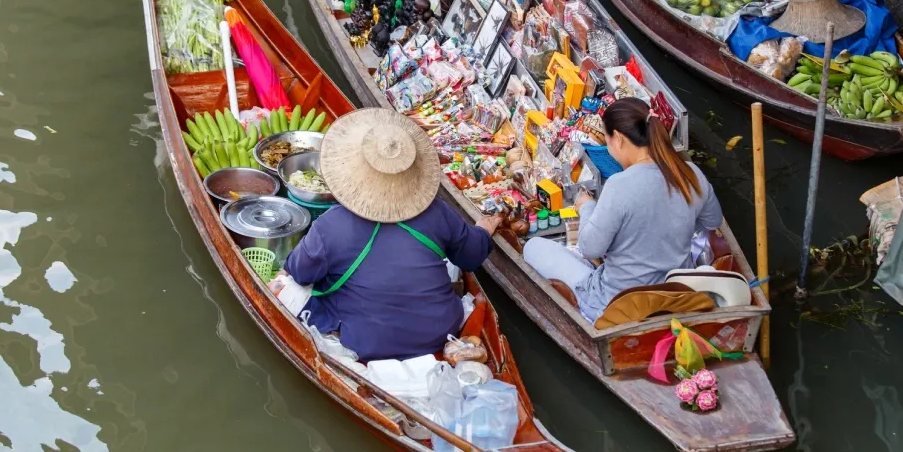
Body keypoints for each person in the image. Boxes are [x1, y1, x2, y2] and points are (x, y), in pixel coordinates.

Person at [283, 108, 501, 362]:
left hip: (367, 344)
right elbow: (472, 255)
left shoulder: (330, 225)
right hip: (440, 332)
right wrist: (484, 230)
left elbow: (299, 272)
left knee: (303, 290)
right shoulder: (437, 212)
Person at [523, 97, 724, 325]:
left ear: (618, 138)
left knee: (533, 247)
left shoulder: (619, 185)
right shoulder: (690, 173)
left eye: (607, 141)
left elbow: (590, 248)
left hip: (620, 304)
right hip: (675, 294)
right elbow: (712, 222)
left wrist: (586, 206)